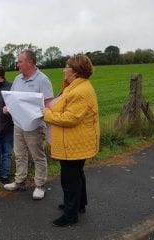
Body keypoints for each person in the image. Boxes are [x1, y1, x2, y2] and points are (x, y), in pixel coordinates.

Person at [43, 54, 100, 227]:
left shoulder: (80, 91)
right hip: (76, 141)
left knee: (69, 179)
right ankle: (78, 205)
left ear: (74, 71)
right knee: (77, 175)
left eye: (66, 67)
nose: (63, 69)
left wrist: (46, 114)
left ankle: (70, 215)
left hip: (73, 143)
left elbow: (70, 118)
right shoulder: (76, 87)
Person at [3, 50, 54, 200]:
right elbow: (12, 99)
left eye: (20, 61)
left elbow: (48, 104)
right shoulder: (18, 79)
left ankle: (40, 185)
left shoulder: (43, 80)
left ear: (30, 63)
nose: (17, 64)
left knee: (37, 156)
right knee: (19, 154)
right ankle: (19, 181)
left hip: (35, 125)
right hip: (18, 123)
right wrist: (8, 107)